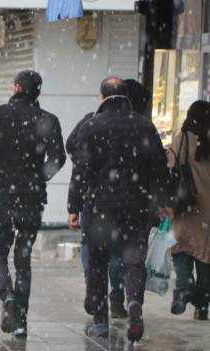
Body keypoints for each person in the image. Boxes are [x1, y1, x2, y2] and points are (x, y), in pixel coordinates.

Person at [68, 77, 172, 341]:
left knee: (98, 263)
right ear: (126, 96)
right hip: (136, 205)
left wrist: (74, 207)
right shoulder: (144, 126)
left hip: (100, 206)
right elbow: (160, 169)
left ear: (102, 96)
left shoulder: (91, 126)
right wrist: (162, 203)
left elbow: (80, 171)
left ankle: (101, 322)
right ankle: (134, 303)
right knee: (133, 259)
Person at [0, 70, 66, 338]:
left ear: (16, 87)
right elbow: (58, 158)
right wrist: (37, 178)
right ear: (38, 93)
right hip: (32, 199)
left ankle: (8, 298)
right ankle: (20, 321)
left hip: (3, 196)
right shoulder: (48, 120)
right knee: (23, 258)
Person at [66, 108, 127, 320]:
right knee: (118, 249)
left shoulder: (90, 120)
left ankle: (92, 288)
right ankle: (117, 298)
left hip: (95, 198)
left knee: (90, 246)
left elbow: (70, 145)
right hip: (124, 198)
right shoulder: (133, 123)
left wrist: (87, 160)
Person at [166, 100, 210, 321]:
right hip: (207, 209)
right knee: (205, 255)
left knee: (181, 249)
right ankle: (202, 306)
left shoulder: (182, 137)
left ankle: (184, 287)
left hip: (186, 204)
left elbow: (171, 165)